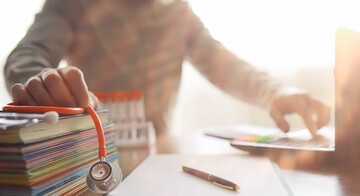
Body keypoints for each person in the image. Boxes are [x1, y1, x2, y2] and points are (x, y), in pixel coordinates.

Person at [4, 0, 330, 136]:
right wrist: (42, 84)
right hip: (89, 155)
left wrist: (275, 92)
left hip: (159, 153)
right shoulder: (72, 4)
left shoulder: (177, 11)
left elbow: (220, 62)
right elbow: (28, 56)